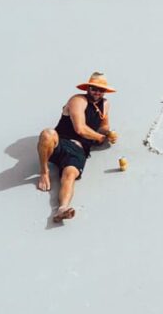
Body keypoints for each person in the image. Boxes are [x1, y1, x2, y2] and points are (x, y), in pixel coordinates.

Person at [36, 72, 118, 222]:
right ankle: (44, 171)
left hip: (79, 150)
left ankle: (62, 209)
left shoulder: (105, 104)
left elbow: (103, 126)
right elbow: (80, 128)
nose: (97, 93)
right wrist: (100, 138)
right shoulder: (78, 100)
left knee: (70, 175)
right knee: (47, 134)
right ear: (88, 88)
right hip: (60, 143)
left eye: (101, 90)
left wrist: (109, 133)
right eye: (94, 89)